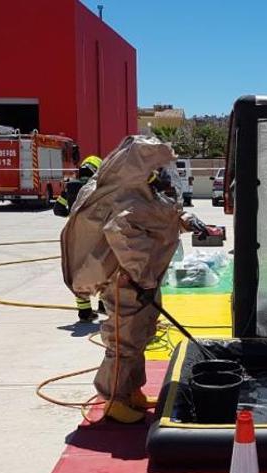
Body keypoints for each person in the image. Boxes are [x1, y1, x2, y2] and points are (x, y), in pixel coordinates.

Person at [60, 136, 207, 423]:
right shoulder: (126, 199)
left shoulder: (143, 194)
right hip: (128, 281)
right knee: (124, 340)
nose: (165, 176)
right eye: (160, 168)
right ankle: (114, 397)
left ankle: (130, 389)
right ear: (143, 168)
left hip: (144, 280)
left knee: (140, 335)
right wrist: (141, 276)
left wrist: (187, 220)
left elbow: (163, 214)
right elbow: (121, 234)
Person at [54, 155, 104, 321]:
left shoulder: (71, 186)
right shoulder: (99, 187)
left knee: (79, 273)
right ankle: (104, 304)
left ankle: (84, 312)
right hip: (97, 235)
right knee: (105, 267)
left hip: (75, 237)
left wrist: (72, 214)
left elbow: (58, 210)